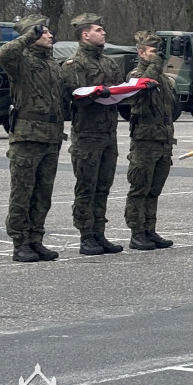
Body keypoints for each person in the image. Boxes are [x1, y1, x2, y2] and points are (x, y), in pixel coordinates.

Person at [0, 15, 65, 263]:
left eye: (48, 31)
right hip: (27, 136)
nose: (49, 35)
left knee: (43, 193)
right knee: (22, 193)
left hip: (51, 136)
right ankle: (20, 242)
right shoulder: (21, 60)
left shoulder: (52, 64)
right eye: (43, 32)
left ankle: (36, 238)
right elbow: (3, 55)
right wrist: (28, 36)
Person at [60, 13, 124, 255]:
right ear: (85, 34)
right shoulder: (74, 64)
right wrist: (98, 93)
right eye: (98, 29)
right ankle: (86, 235)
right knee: (86, 187)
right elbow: (75, 95)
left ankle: (99, 232)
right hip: (87, 134)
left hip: (108, 133)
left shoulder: (109, 63)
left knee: (103, 186)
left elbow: (119, 88)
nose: (104, 32)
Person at [123, 31, 175, 250]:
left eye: (158, 52)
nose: (157, 57)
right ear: (141, 52)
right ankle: (137, 232)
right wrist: (155, 64)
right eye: (153, 52)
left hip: (162, 141)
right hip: (144, 142)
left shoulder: (162, 77)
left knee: (154, 190)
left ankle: (149, 229)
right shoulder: (135, 74)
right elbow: (141, 87)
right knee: (139, 189)